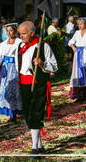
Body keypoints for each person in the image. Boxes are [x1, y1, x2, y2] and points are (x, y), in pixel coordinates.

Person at [16, 21, 58, 156]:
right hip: (23, 83)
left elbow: (54, 66)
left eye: (23, 33)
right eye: (20, 33)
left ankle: (34, 147)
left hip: (38, 82)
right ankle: (40, 145)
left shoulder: (43, 46)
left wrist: (42, 63)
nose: (21, 36)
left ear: (32, 33)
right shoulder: (20, 46)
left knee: (36, 113)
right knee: (28, 113)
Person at [0, 23, 22, 122]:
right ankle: (9, 112)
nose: (8, 32)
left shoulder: (19, 42)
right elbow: (0, 57)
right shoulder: (3, 44)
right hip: (5, 69)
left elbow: (18, 57)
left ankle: (15, 112)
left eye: (11, 30)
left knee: (14, 90)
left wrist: (19, 70)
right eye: (7, 31)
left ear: (15, 31)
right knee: (5, 89)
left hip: (14, 68)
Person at [68, 17, 86, 101]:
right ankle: (80, 95)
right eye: (78, 24)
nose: (80, 26)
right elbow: (70, 41)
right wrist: (73, 46)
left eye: (81, 24)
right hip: (78, 55)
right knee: (78, 74)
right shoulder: (77, 32)